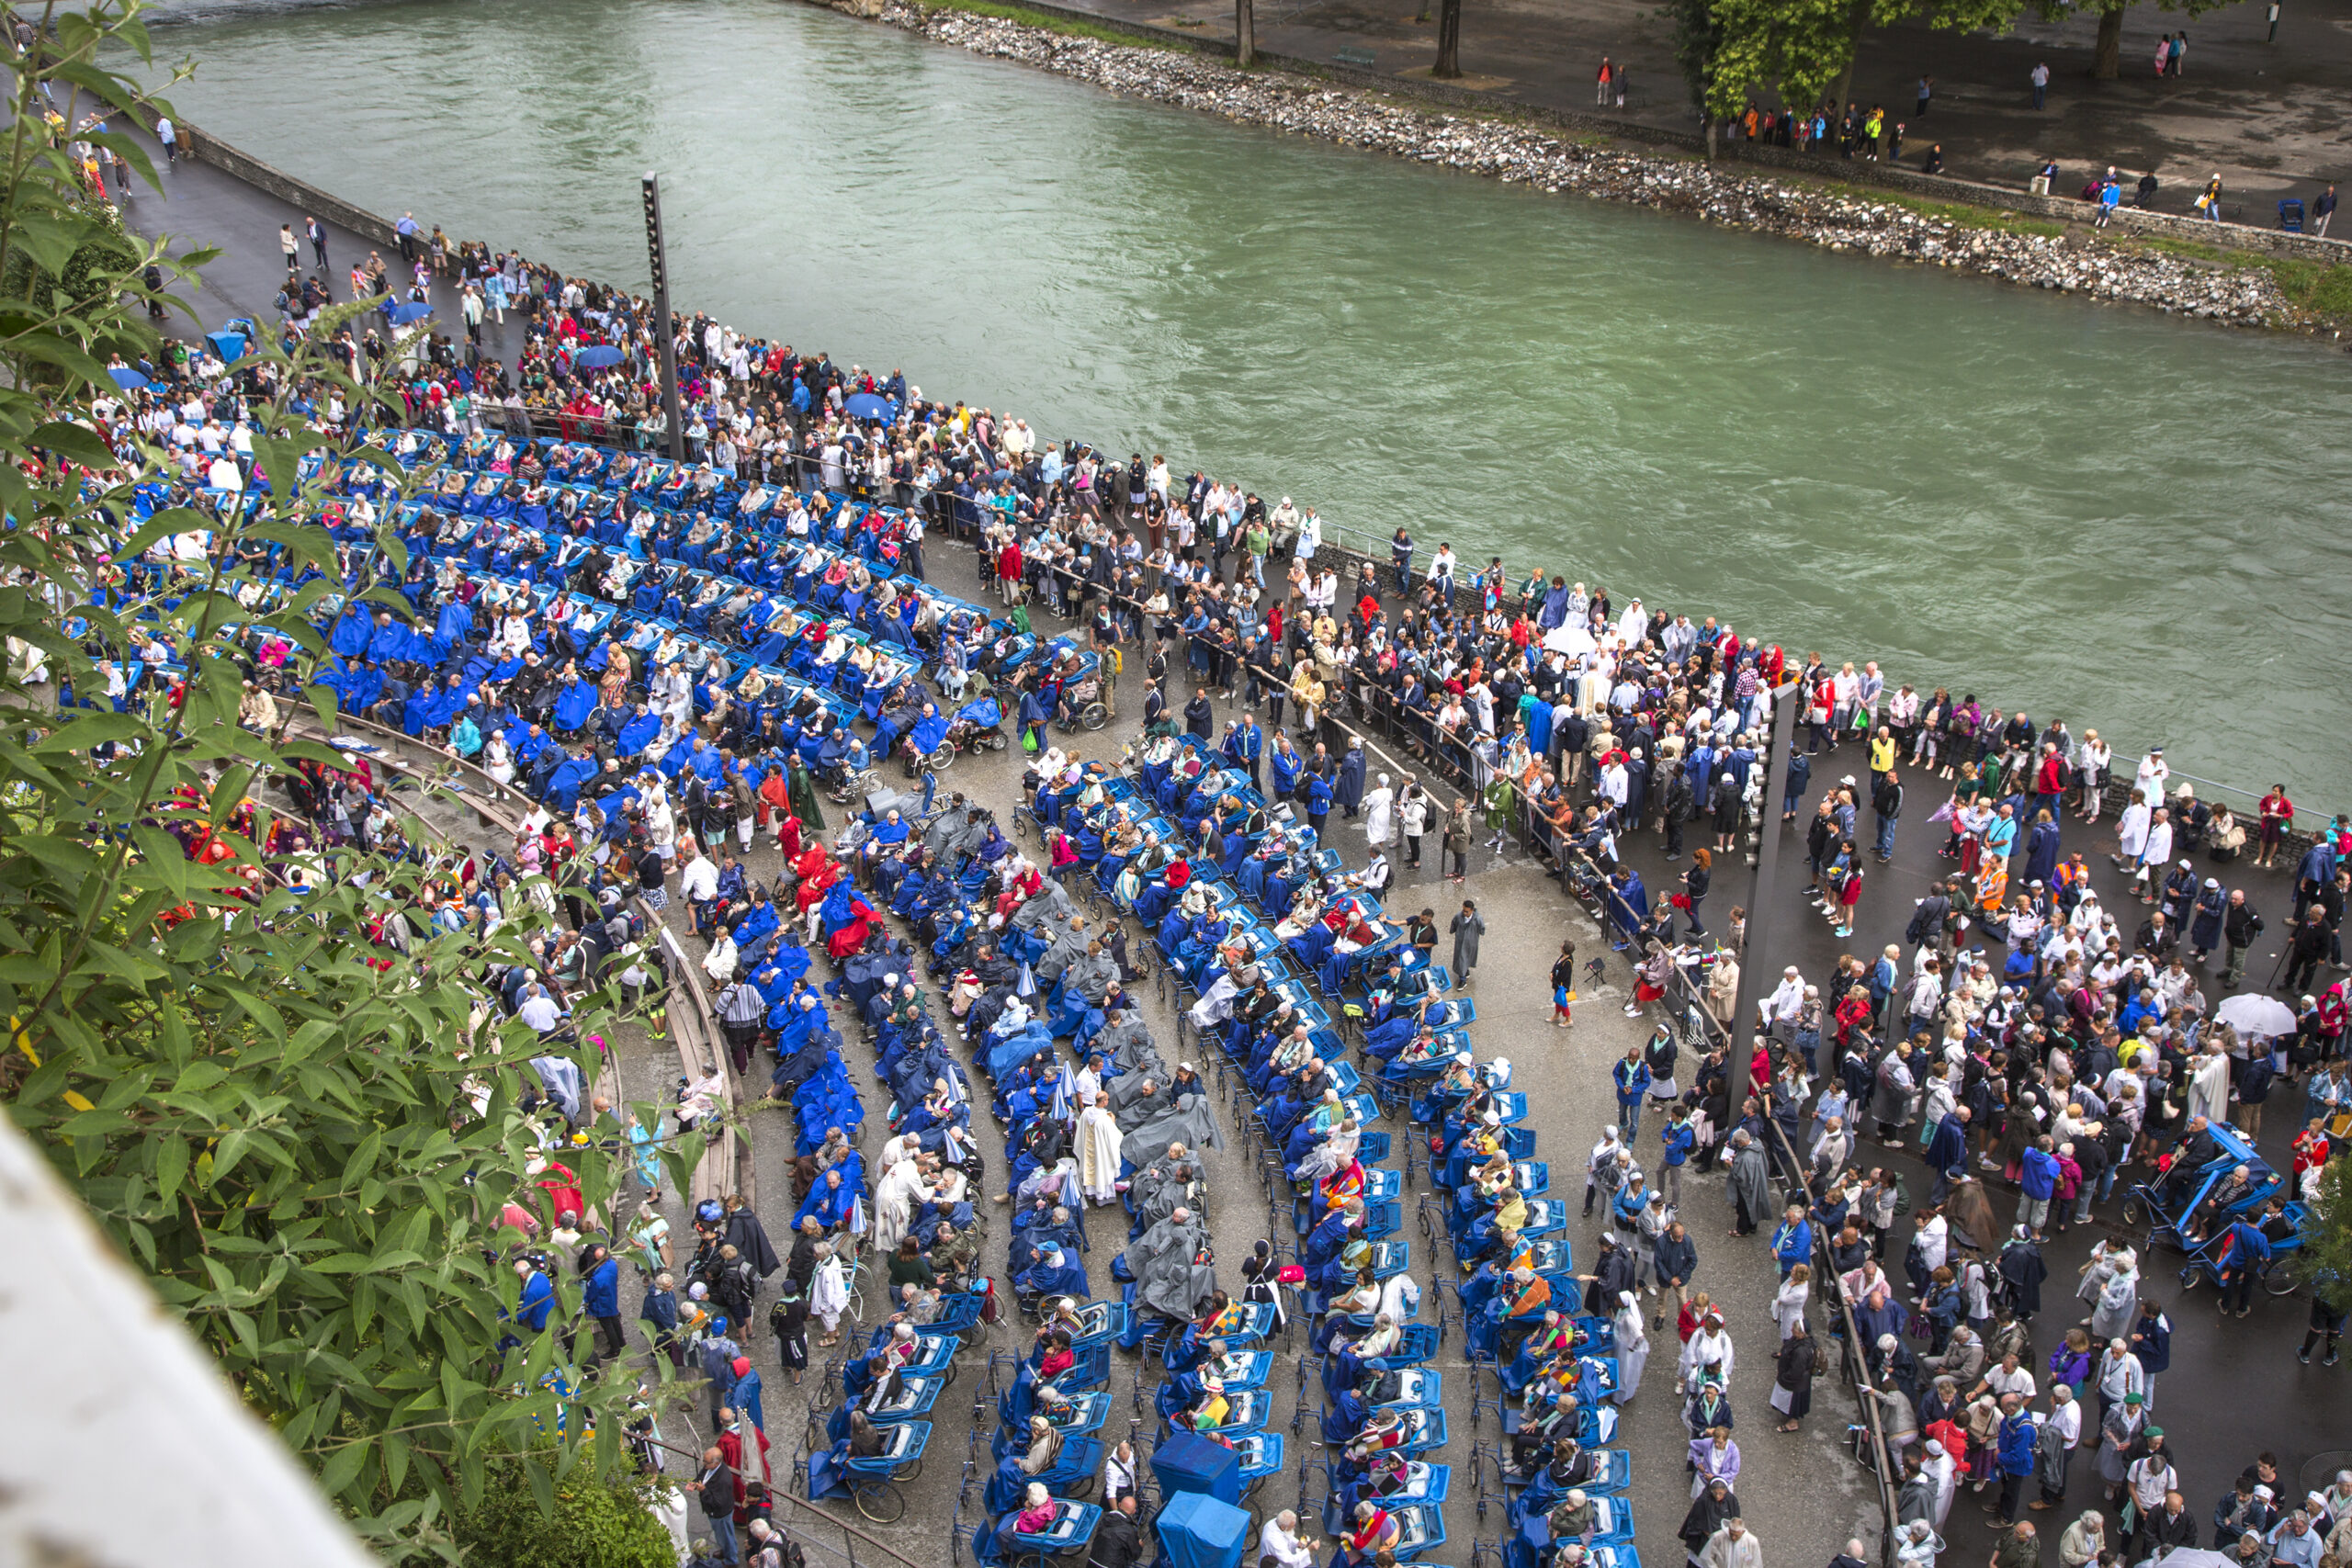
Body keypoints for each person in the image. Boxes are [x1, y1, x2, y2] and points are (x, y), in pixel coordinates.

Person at [1452, 899, 1486, 984]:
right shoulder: (1458, 916)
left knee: (1467, 957)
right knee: (1461, 958)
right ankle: (1462, 979)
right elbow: (1454, 924)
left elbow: (1482, 929)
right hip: (1460, 942)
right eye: (1463, 910)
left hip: (1471, 943)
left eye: (1466, 911)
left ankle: (1465, 971)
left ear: (1472, 910)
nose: (1464, 913)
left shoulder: (1478, 919)